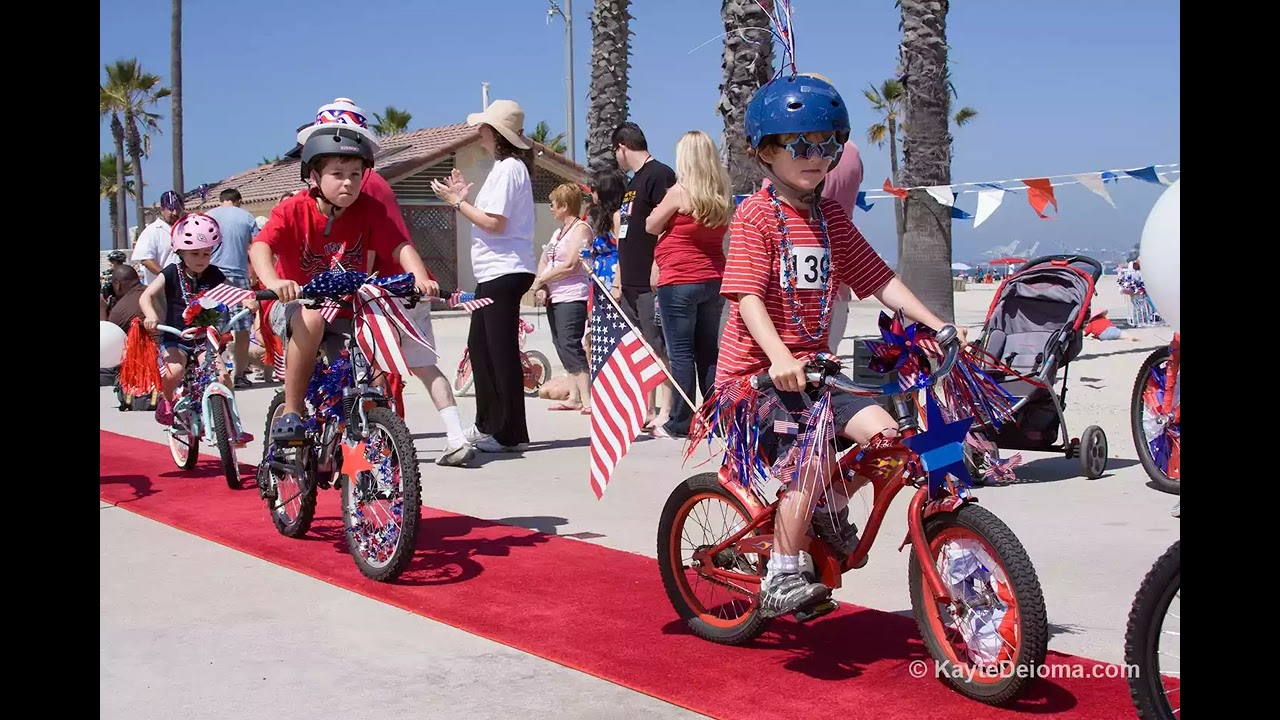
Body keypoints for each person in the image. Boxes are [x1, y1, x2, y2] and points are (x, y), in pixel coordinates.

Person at [713, 74, 965, 618]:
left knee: (888, 437)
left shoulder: (829, 218)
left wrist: (935, 323)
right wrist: (779, 358)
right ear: (764, 152)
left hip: (816, 374)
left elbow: (879, 278)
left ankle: (824, 512)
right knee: (811, 448)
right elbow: (746, 298)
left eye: (827, 144)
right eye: (799, 144)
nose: (815, 155)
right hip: (754, 379)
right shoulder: (757, 215)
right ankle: (781, 574)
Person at [250, 98, 437, 445]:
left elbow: (399, 245)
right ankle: (292, 410)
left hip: (347, 308)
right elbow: (261, 247)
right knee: (312, 319)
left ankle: (366, 436)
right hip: (295, 305)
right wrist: (274, 283)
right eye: (337, 175)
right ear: (314, 176)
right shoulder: (292, 209)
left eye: (356, 175)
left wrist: (420, 277)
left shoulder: (369, 209)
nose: (348, 184)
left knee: (367, 363)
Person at [429, 99, 537, 453]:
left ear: (495, 132)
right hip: (498, 270)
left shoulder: (508, 168)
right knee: (483, 347)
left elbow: (495, 222)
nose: (478, 132)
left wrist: (457, 203)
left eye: (483, 127)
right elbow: (492, 219)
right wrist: (462, 199)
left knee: (497, 350)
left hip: (504, 269)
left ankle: (506, 430)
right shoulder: (505, 167)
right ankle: (494, 425)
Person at [359, 145, 476, 467]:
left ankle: (382, 444)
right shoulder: (377, 182)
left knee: (373, 367)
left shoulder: (358, 186)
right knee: (425, 366)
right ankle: (456, 437)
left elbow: (367, 247)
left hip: (382, 288)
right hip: (413, 285)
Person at [644, 130, 732, 439]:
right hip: (713, 278)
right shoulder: (721, 193)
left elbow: (650, 224)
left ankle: (680, 421)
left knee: (680, 353)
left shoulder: (679, 192)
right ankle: (716, 418)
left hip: (679, 279)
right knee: (709, 352)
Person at [139, 214, 250, 443]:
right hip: (175, 336)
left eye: (206, 253)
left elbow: (235, 293)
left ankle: (231, 425)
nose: (201, 259)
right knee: (175, 371)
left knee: (222, 376)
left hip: (203, 338)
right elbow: (146, 296)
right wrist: (150, 315)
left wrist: (249, 299)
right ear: (180, 252)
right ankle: (167, 401)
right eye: (195, 254)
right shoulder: (170, 272)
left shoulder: (214, 274)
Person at [612, 122, 677, 431]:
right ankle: (646, 407)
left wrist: (658, 263)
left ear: (623, 146)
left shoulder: (659, 174)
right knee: (640, 347)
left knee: (659, 345)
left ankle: (668, 408)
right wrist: (618, 278)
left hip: (651, 278)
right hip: (630, 280)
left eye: (616, 152)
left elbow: (671, 225)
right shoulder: (633, 182)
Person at [531, 183, 593, 413]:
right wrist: (542, 284)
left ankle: (587, 399)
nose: (550, 209)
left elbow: (570, 264)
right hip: (554, 295)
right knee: (560, 344)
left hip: (572, 295)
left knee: (571, 343)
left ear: (565, 206)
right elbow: (546, 259)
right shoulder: (558, 233)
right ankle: (574, 396)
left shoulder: (581, 229)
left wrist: (542, 279)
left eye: (552, 204)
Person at [206, 188, 261, 389]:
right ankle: (239, 375)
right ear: (238, 201)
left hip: (212, 278)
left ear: (222, 201)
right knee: (243, 328)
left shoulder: (208, 216)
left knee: (211, 327)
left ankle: (212, 372)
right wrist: (254, 273)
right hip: (239, 277)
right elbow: (256, 247)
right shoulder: (246, 217)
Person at [132, 190, 184, 285]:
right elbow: (146, 259)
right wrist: (167, 277)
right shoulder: (152, 231)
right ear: (162, 209)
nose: (175, 213)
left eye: (178, 209)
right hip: (160, 290)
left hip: (184, 289)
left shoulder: (185, 229)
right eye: (171, 209)